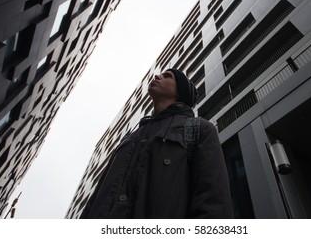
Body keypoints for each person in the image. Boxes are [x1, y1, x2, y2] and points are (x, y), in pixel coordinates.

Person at [81, 69, 233, 218]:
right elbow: (93, 200)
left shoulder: (198, 128)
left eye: (167, 76)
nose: (157, 76)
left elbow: (214, 200)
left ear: (180, 92)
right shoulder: (129, 138)